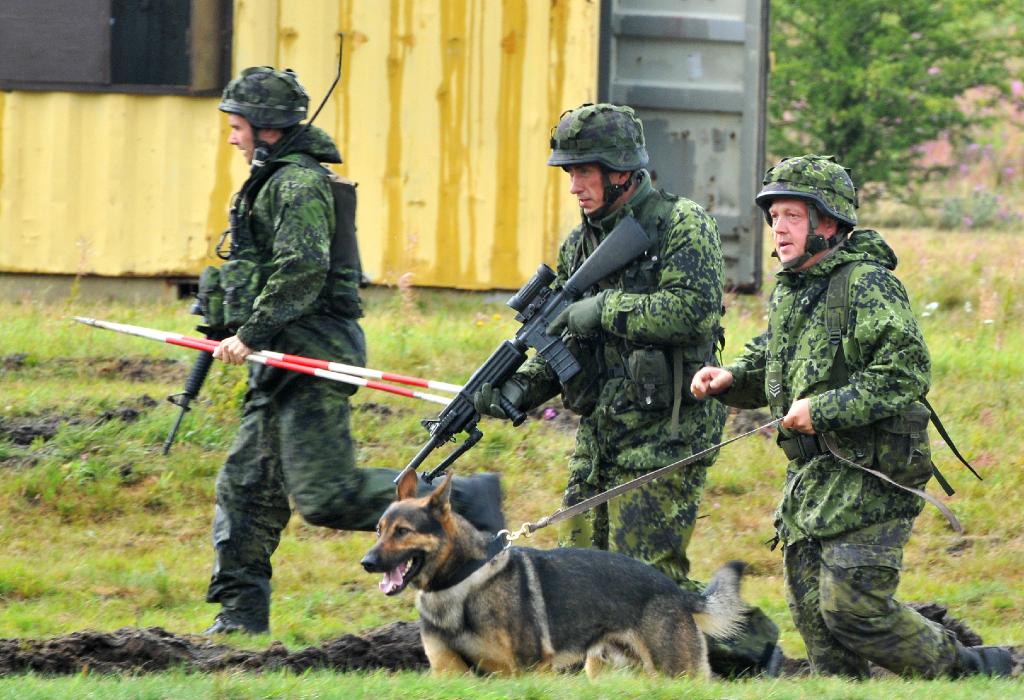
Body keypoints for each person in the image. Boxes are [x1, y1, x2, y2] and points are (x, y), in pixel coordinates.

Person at [474, 103, 782, 676]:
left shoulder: (681, 223)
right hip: (602, 433)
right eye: (568, 174)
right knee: (583, 583)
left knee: (647, 578)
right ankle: (702, 645)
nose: (574, 186)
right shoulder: (578, 247)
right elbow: (570, 348)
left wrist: (603, 308)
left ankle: (754, 647)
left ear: (620, 170)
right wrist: (517, 392)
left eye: (582, 171)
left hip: (669, 426)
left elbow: (691, 311)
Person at [203, 66, 504, 635]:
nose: (232, 136)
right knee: (244, 487)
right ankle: (240, 620)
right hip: (282, 360)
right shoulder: (272, 178)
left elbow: (301, 269)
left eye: (237, 125)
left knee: (326, 496)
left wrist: (251, 333)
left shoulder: (297, 185)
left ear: (266, 128)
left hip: (310, 360)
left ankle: (463, 498)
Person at [690, 153, 1013, 678]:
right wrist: (731, 379)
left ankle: (978, 669)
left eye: (793, 216)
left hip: (872, 473)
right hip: (813, 482)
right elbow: (775, 362)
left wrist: (823, 409)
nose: (779, 229)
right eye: (774, 218)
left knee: (854, 610)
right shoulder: (793, 291)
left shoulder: (866, 284)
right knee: (818, 626)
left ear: (828, 223)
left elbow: (905, 371)